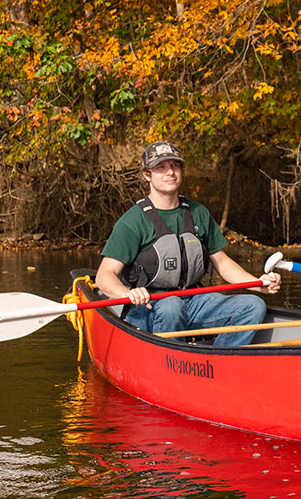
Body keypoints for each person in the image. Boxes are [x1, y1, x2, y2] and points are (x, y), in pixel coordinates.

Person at [88, 142, 280, 347]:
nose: (170, 172)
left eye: (175, 166)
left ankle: (217, 362)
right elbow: (104, 276)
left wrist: (258, 285)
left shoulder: (198, 213)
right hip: (149, 307)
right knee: (171, 306)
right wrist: (128, 293)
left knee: (253, 305)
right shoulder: (132, 222)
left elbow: (222, 263)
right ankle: (167, 365)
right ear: (147, 175)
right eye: (160, 167)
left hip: (194, 300)